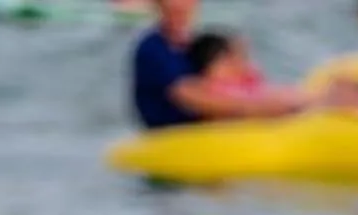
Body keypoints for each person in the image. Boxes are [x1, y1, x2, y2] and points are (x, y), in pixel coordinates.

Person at [130, 0, 330, 126]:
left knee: (299, 96)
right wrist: (261, 108)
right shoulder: (152, 49)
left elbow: (229, 80)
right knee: (291, 101)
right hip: (174, 136)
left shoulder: (193, 44)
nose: (180, 5)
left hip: (209, 127)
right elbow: (190, 97)